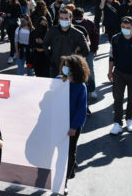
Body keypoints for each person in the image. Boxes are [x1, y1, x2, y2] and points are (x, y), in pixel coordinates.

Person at [58, 55, 89, 191]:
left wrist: (74, 127)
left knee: (70, 152)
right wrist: (60, 83)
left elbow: (82, 109)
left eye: (68, 67)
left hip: (72, 126)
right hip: (58, 123)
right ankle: (71, 168)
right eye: (64, 66)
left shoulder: (81, 87)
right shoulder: (59, 80)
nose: (65, 69)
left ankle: (64, 182)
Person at [43, 9, 90, 77]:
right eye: (61, 18)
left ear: (70, 19)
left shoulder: (78, 34)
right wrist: (50, 57)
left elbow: (86, 50)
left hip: (71, 69)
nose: (64, 20)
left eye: (66, 18)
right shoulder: (52, 30)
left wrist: (75, 60)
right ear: (58, 19)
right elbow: (45, 44)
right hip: (55, 67)